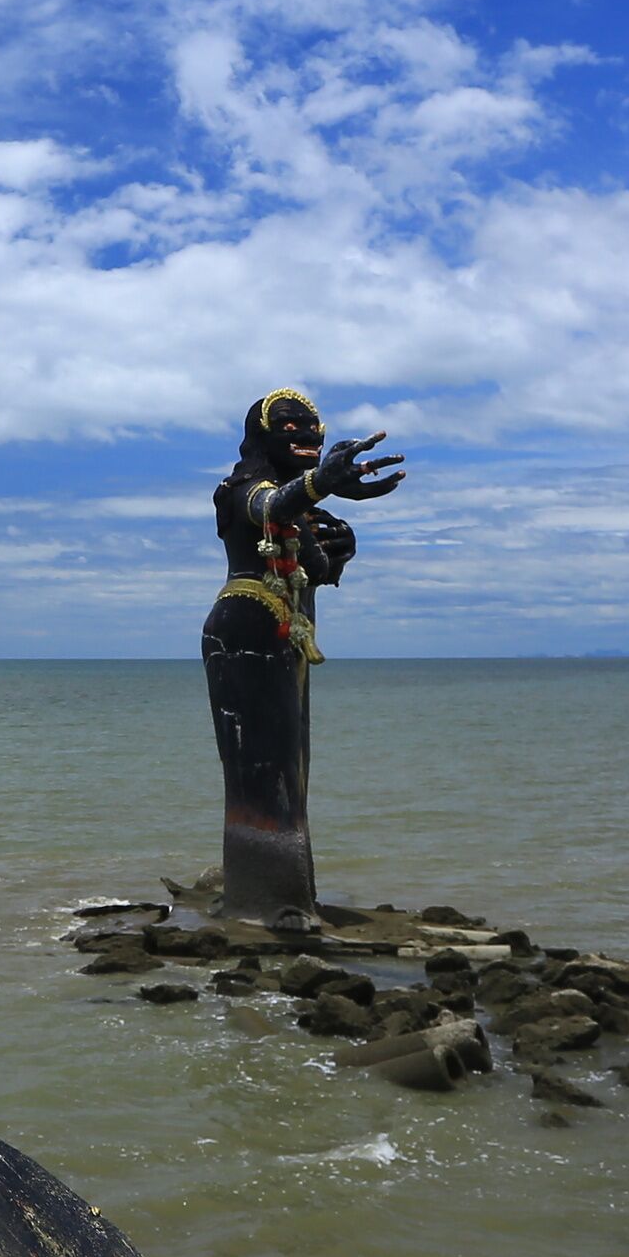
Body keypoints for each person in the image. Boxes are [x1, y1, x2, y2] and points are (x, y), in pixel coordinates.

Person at [203, 386, 402, 926]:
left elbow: (315, 571)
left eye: (313, 430)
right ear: (263, 438)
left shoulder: (300, 510)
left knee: (292, 764)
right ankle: (265, 900)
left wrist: (342, 551)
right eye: (290, 429)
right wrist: (320, 484)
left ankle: (291, 894)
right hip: (244, 628)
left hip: (286, 634)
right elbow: (268, 505)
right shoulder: (240, 489)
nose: (307, 437)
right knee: (261, 765)